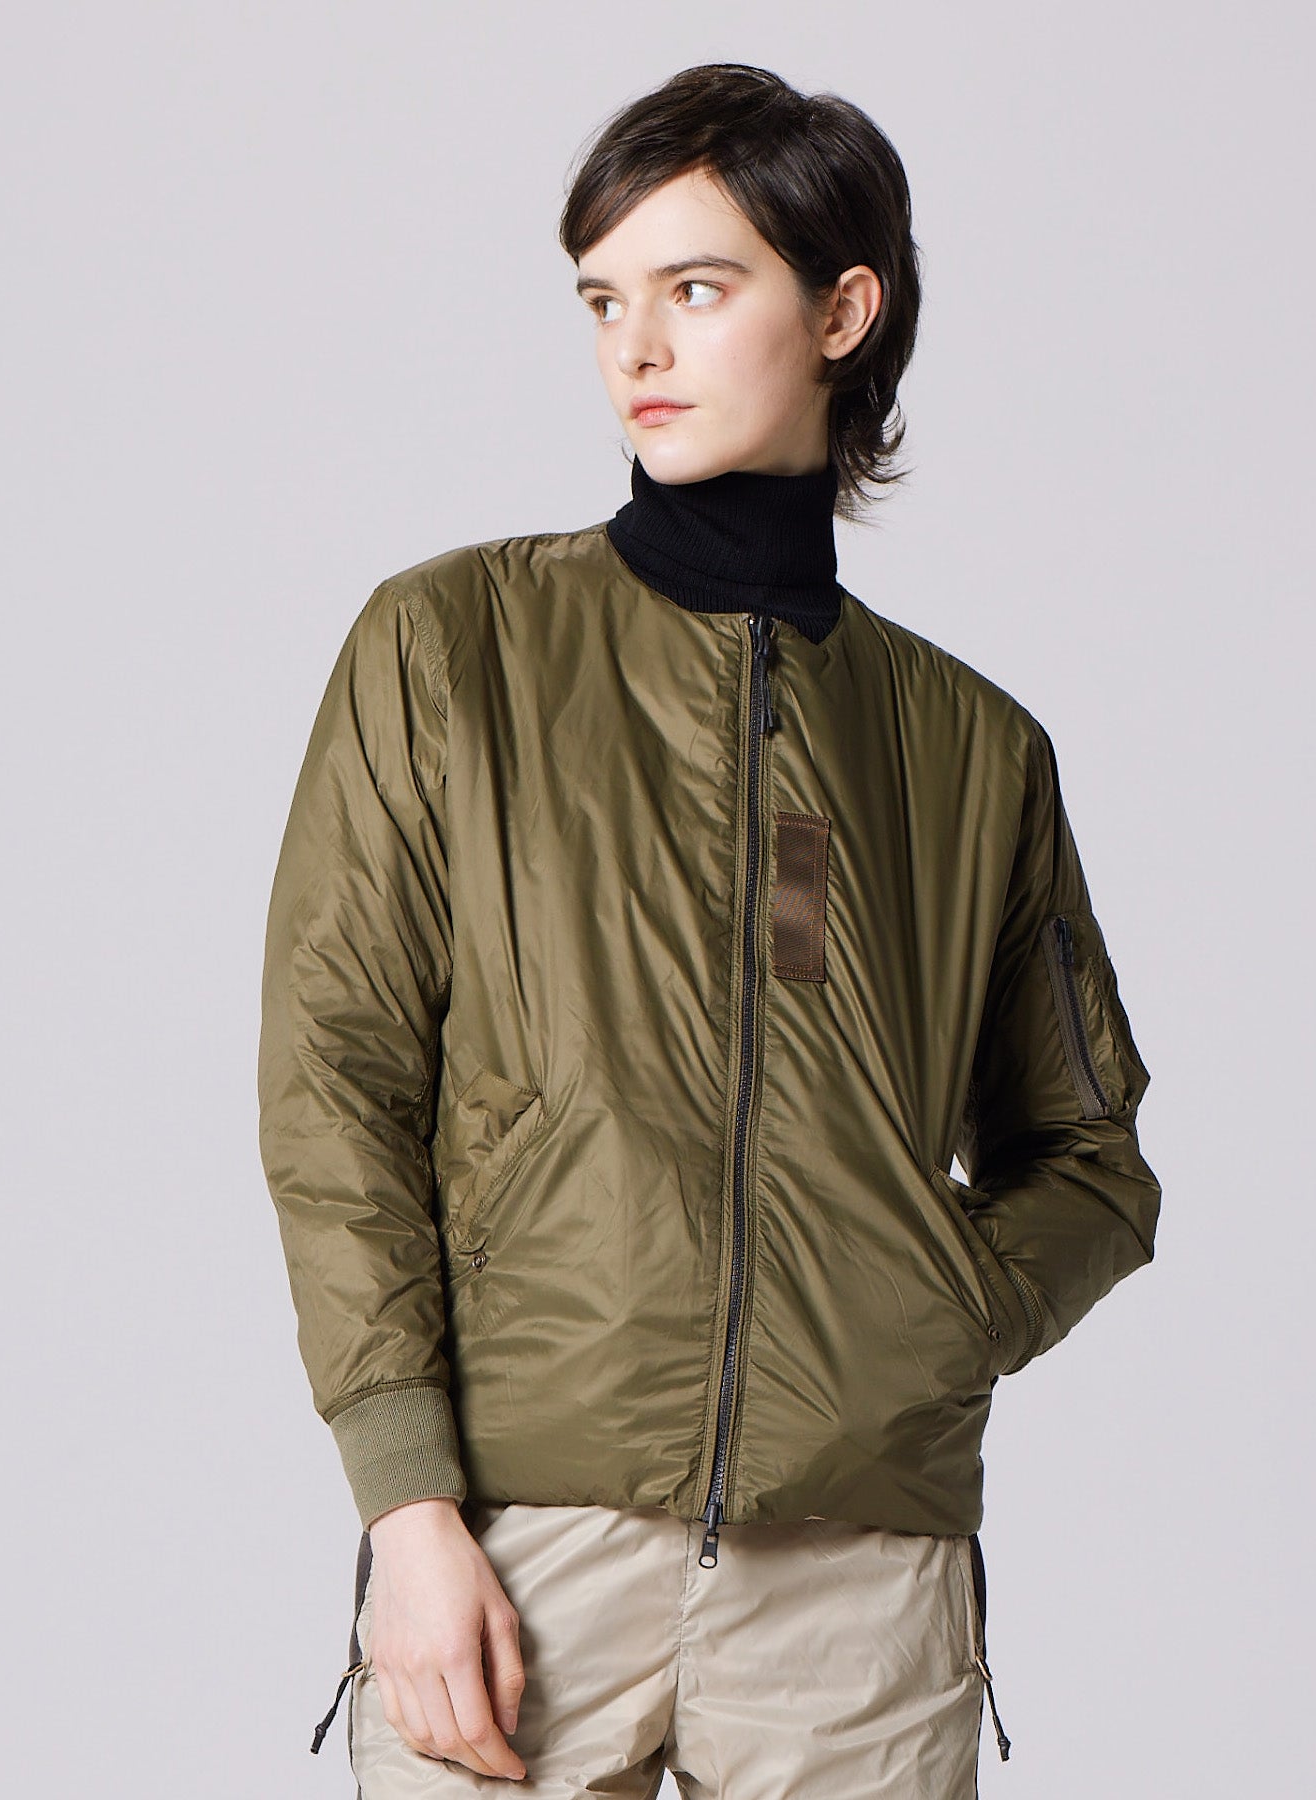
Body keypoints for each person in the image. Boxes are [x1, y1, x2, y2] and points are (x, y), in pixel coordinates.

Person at [257, 62, 1161, 1800]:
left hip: (859, 1591)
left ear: (841, 311)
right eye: (605, 299)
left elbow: (1091, 1161)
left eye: (695, 286)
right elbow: (337, 1089)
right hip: (517, 1550)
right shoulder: (450, 650)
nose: (638, 348)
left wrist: (927, 1317)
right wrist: (408, 1507)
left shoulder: (970, 748)